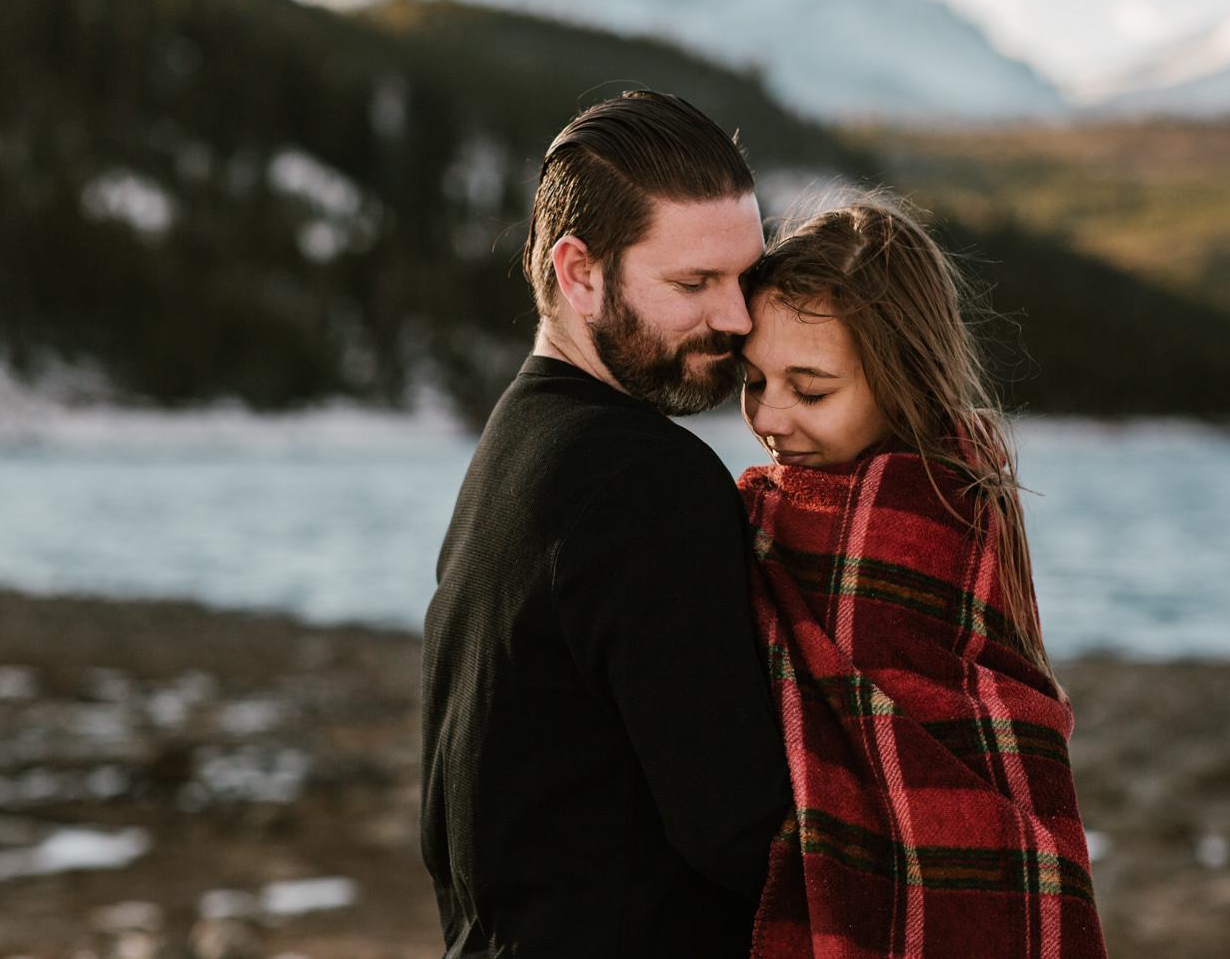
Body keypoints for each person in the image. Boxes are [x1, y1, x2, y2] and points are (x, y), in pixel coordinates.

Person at [419, 91, 792, 958]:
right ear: (579, 272)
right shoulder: (648, 479)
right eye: (693, 284)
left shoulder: (515, 443)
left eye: (746, 277)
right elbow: (744, 831)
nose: (737, 319)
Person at [736, 194, 1107, 958]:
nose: (771, 416)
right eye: (752, 381)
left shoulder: (953, 507)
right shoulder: (763, 517)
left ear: (901, 378)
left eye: (811, 390)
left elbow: (990, 704)